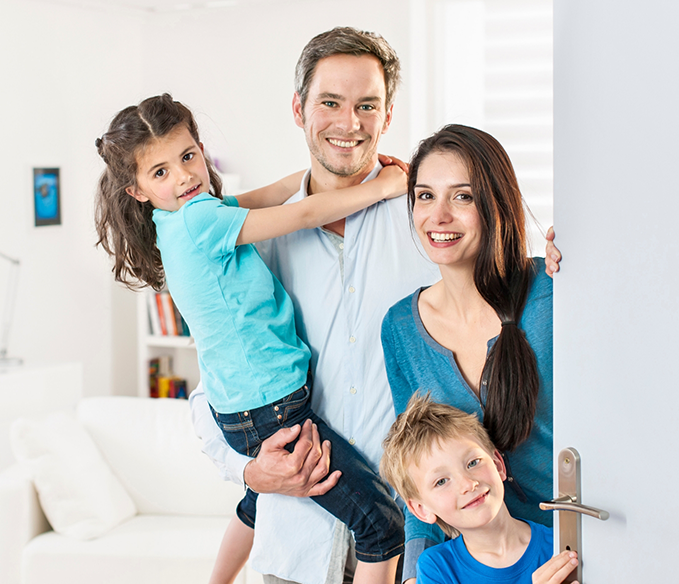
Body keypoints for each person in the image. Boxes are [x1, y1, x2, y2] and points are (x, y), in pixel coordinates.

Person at [189, 27, 563, 584]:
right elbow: (214, 387)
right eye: (330, 103)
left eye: (367, 105)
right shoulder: (252, 244)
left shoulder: (422, 221)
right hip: (295, 542)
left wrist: (562, 262)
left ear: (387, 116)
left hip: (414, 544)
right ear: (299, 108)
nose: (348, 123)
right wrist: (250, 469)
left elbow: (494, 276)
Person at [94, 93, 411, 584]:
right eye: (160, 173)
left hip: (244, 408)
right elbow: (303, 214)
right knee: (382, 526)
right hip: (273, 406)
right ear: (136, 190)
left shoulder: (185, 216)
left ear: (200, 149)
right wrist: (384, 186)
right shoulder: (202, 221)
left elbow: (268, 195)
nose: (182, 176)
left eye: (187, 157)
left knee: (259, 498)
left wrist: (308, 178)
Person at [380, 124, 553, 581]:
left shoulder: (552, 294)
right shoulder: (401, 328)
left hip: (574, 549)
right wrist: (417, 571)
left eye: (462, 197)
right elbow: (415, 466)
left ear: (495, 204)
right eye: (424, 196)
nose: (438, 216)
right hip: (481, 568)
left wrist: (591, 260)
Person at [380, 394, 578, 584]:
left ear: (498, 465)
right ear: (421, 510)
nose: (468, 484)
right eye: (441, 481)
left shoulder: (563, 547)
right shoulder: (436, 568)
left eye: (473, 463)